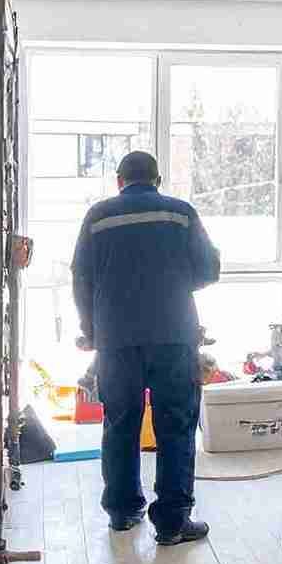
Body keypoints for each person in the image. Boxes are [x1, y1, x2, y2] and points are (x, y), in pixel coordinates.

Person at [72, 150, 222, 543]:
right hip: (173, 335)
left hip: (116, 339)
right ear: (157, 180)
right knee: (175, 423)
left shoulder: (98, 217)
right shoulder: (180, 213)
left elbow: (81, 278)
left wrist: (91, 330)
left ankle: (122, 512)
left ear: (119, 182)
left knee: (120, 422)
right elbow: (209, 269)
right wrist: (171, 277)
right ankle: (172, 522)